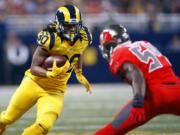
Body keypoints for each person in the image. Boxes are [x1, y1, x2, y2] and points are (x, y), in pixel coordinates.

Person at [0, 4, 92, 135]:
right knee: (6, 118)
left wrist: (79, 72)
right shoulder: (51, 38)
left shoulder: (84, 38)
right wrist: (48, 73)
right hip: (34, 83)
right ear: (59, 24)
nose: (72, 30)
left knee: (44, 126)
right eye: (68, 26)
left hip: (55, 90)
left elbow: (78, 52)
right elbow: (33, 68)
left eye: (75, 25)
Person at [94, 24, 180, 135]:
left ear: (112, 43)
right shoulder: (144, 44)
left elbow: (135, 73)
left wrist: (138, 100)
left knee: (113, 129)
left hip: (152, 96)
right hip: (176, 89)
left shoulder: (118, 53)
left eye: (106, 47)